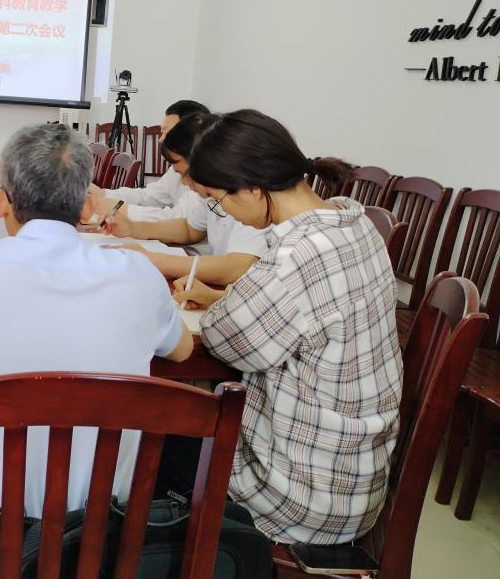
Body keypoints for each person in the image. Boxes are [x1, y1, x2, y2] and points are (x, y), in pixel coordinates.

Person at [0, 123, 193, 577]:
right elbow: (181, 351)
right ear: (87, 207)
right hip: (106, 543)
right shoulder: (140, 276)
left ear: (1, 201)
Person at [166, 109, 400, 545]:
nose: (224, 212)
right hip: (354, 477)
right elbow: (296, 316)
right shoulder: (355, 221)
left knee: (151, 433)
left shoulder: (295, 256)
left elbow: (225, 340)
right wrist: (221, 298)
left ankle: (197, 555)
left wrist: (218, 307)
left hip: (301, 498)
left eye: (218, 199)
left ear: (252, 188)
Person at [103, 113, 267, 286]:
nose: (184, 182)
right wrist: (133, 228)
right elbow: (190, 229)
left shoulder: (250, 194)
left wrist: (153, 260)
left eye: (186, 173)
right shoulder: (214, 190)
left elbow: (236, 268)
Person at [91, 99, 209, 222]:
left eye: (167, 133)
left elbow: (178, 220)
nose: (161, 140)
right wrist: (101, 193)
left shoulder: (205, 177)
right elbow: (148, 196)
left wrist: (117, 209)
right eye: (162, 132)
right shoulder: (176, 169)